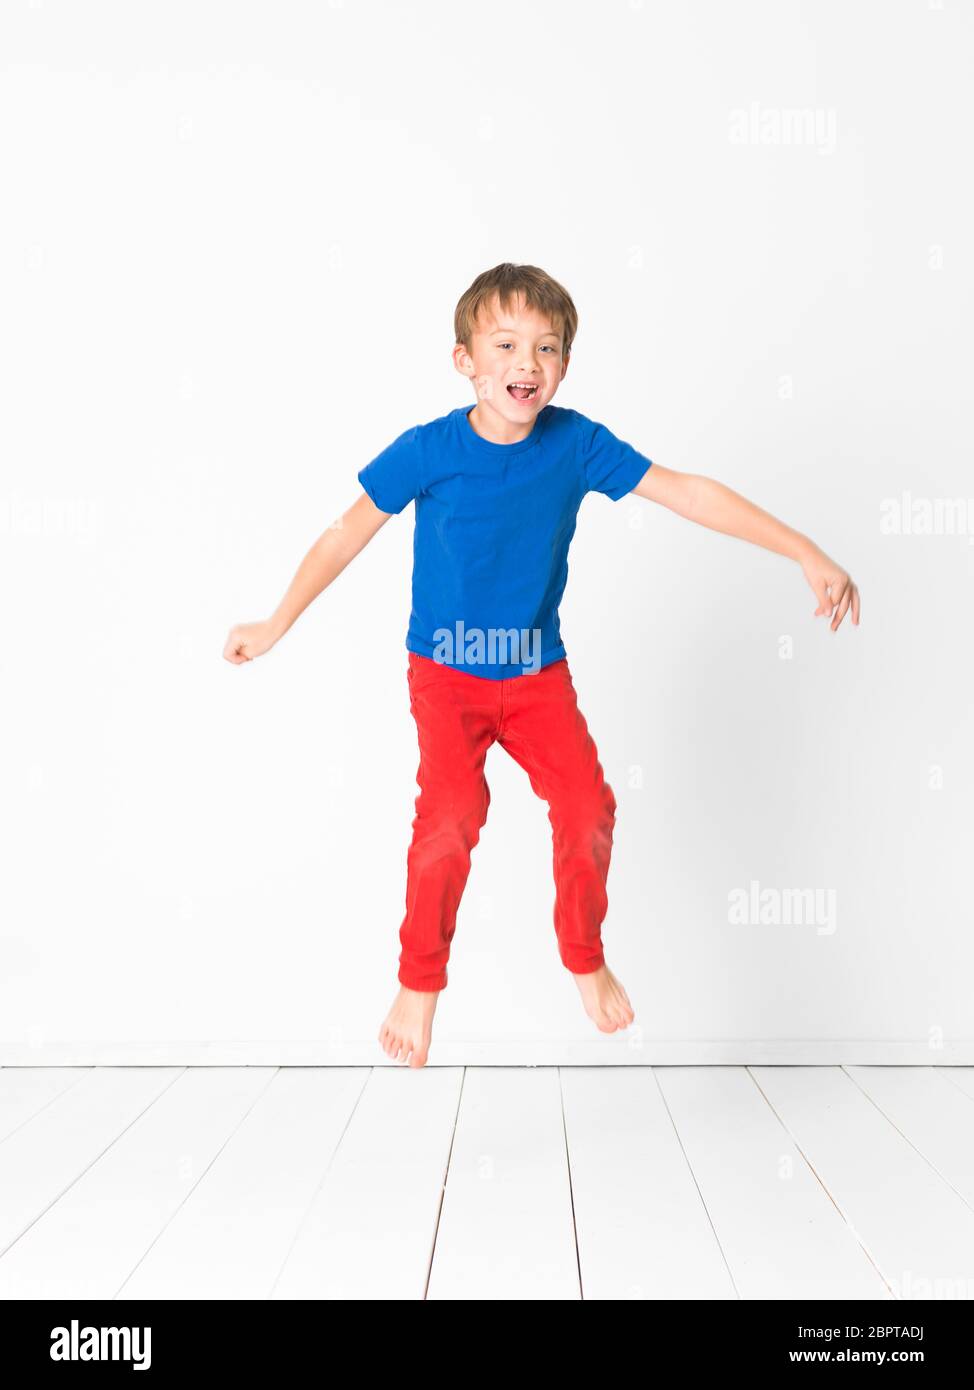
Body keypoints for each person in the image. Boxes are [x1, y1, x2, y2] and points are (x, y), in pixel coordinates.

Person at [223, 262, 861, 1068]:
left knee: (589, 807)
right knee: (450, 819)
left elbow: (687, 493)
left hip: (534, 677)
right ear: (466, 361)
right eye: (507, 344)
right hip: (447, 677)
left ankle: (583, 955)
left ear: (564, 365)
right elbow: (344, 534)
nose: (528, 363)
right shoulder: (427, 451)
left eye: (548, 347)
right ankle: (419, 983)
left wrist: (802, 550)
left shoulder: (576, 444)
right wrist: (278, 620)